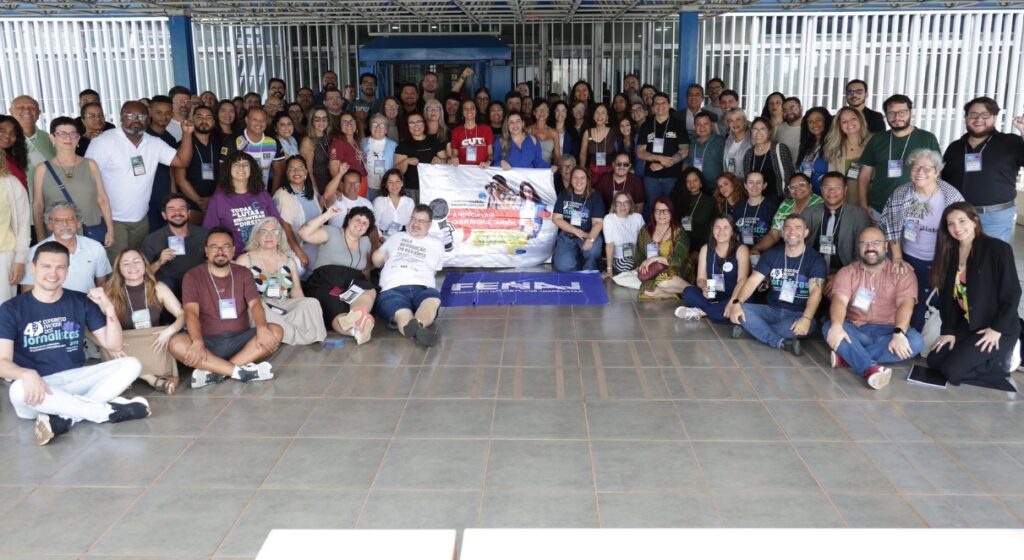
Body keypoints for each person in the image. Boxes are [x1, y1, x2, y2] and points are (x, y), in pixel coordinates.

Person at [1, 241, 149, 446]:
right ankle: (105, 412)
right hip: (38, 390)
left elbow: (114, 345)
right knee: (17, 389)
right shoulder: (11, 309)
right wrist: (27, 374)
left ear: (67, 270)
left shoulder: (80, 301)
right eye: (46, 266)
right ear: (32, 268)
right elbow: (2, 362)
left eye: (60, 267)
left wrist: (109, 309)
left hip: (75, 379)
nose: (53, 273)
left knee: (131, 364)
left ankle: (65, 418)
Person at [169, 227, 282, 388]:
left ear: (233, 250)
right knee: (176, 344)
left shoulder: (243, 273)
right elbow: (191, 312)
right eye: (214, 247)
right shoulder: (193, 276)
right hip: (208, 342)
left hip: (240, 342)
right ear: (206, 251)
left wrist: (262, 328)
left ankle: (217, 371)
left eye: (226, 246)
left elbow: (255, 304)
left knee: (276, 331)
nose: (220, 251)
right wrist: (198, 341)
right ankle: (239, 372)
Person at [928, 202, 1021, 391]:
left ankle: (1003, 362)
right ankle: (980, 359)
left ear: (975, 221)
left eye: (962, 221)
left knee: (952, 371)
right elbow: (947, 300)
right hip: (969, 324)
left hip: (996, 327)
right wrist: (949, 331)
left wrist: (997, 329)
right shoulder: (949, 253)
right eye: (951, 224)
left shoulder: (997, 249)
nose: (957, 228)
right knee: (934, 361)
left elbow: (1012, 292)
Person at [85, 101, 194, 262]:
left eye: (141, 116)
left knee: (138, 262)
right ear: (121, 117)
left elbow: (182, 161)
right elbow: (87, 179)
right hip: (113, 219)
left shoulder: (154, 143)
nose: (136, 120)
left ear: (148, 119)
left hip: (141, 218)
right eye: (130, 115)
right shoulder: (103, 142)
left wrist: (187, 134)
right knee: (119, 264)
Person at [823, 227, 923, 390]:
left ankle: (848, 357)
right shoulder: (847, 272)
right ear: (858, 248)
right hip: (857, 330)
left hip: (890, 332)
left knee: (916, 341)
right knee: (830, 327)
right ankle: (869, 367)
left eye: (875, 243)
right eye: (864, 243)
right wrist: (836, 326)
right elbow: (839, 301)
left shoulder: (902, 272)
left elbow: (905, 304)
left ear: (885, 245)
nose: (870, 247)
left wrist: (899, 332)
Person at [880, 149, 964, 330]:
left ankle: (935, 336)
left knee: (939, 302)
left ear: (937, 172)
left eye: (927, 168)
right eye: (916, 167)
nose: (920, 172)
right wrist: (897, 257)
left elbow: (963, 231)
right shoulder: (901, 193)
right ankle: (909, 334)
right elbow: (890, 226)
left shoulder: (951, 196)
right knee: (911, 300)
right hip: (910, 258)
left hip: (942, 259)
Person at [728, 214, 827, 356]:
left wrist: (806, 319)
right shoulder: (771, 254)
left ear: (806, 233)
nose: (792, 232)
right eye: (788, 228)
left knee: (793, 328)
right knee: (743, 309)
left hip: (799, 314)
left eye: (797, 228)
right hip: (772, 310)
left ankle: (753, 330)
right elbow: (753, 281)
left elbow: (816, 292)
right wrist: (738, 302)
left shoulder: (815, 259)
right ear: (782, 232)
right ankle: (779, 341)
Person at [941, 96, 1024, 243]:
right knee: (960, 255)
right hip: (960, 216)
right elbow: (943, 179)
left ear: (994, 117)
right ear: (966, 118)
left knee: (990, 255)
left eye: (985, 115)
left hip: (995, 217)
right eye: (973, 114)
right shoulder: (955, 146)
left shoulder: (1011, 142)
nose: (979, 119)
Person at [103, 249, 186, 394]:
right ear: (119, 269)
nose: (132, 266)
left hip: (154, 340)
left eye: (136, 261)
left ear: (145, 264)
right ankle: (150, 378)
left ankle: (130, 374)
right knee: (108, 346)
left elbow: (182, 314)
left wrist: (170, 331)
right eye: (126, 263)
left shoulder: (158, 288)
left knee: (166, 340)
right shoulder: (110, 293)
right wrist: (110, 345)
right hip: (125, 342)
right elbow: (94, 326)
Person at [237, 217, 326, 345]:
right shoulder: (245, 260)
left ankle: (286, 334)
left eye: (274, 232)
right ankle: (300, 336)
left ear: (280, 237)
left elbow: (297, 293)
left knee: (311, 303)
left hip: (283, 305)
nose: (269, 236)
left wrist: (303, 309)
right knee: (260, 310)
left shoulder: (289, 261)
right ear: (257, 236)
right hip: (260, 306)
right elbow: (239, 295)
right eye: (264, 232)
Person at [299, 205, 377, 344]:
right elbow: (303, 233)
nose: (360, 225)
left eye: (365, 223)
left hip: (352, 282)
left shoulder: (366, 242)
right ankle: (356, 330)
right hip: (326, 280)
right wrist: (327, 215)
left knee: (369, 289)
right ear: (349, 220)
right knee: (335, 307)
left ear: (368, 228)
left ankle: (358, 317)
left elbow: (365, 270)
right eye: (357, 220)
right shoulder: (332, 232)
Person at [202, 152, 302, 260]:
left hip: (265, 255)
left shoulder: (262, 194)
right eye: (236, 164)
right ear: (228, 169)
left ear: (252, 170)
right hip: (235, 259)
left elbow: (276, 223)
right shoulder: (218, 199)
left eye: (245, 164)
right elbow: (209, 234)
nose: (241, 167)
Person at [33, 117, 114, 247]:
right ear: (52, 138)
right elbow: (38, 205)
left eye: (72, 133)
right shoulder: (42, 169)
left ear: (78, 138)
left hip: (91, 230)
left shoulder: (90, 164)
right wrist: (40, 236)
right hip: (57, 234)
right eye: (61, 133)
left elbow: (102, 199)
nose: (68, 137)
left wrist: (110, 230)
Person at [858, 94, 941, 220]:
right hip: (879, 209)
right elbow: (864, 176)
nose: (897, 117)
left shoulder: (927, 138)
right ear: (886, 115)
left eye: (902, 112)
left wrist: (931, 205)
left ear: (910, 113)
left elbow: (937, 176)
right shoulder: (877, 140)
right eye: (891, 113)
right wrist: (864, 206)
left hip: (915, 210)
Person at [371, 204, 444, 347]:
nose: (415, 224)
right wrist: (378, 256)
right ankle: (418, 330)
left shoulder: (437, 244)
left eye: (421, 221)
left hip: (422, 287)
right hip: (392, 288)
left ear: (429, 224)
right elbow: (377, 261)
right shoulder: (396, 237)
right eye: (413, 219)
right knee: (401, 312)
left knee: (431, 302)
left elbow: (434, 271)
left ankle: (417, 326)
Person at [800, 172, 872, 295]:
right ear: (821, 190)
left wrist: (840, 275)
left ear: (845, 189)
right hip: (812, 271)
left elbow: (862, 254)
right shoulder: (808, 213)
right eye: (827, 187)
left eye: (837, 187)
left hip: (844, 270)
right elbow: (799, 247)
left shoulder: (859, 216)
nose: (831, 191)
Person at [22, 201, 111, 292]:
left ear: (78, 223)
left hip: (86, 300)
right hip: (50, 301)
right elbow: (27, 290)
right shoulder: (34, 252)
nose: (65, 224)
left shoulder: (95, 247)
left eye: (70, 219)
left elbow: (102, 283)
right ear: (49, 225)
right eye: (58, 220)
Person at [676, 214, 750, 323]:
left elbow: (742, 280)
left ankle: (701, 312)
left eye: (726, 227)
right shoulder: (705, 249)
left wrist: (733, 302)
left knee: (744, 304)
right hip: (712, 296)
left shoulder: (741, 249)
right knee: (688, 292)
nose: (721, 231)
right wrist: (704, 287)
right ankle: (717, 312)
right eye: (717, 227)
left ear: (732, 232)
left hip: (734, 296)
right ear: (712, 230)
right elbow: (701, 279)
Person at [142, 193, 209, 296]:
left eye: (182, 208)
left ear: (188, 213)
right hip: (169, 289)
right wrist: (159, 262)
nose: (177, 212)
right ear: (164, 215)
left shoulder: (204, 234)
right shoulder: (152, 240)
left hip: (198, 283)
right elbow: (142, 274)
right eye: (171, 209)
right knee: (165, 284)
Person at [637, 92, 689, 220]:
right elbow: (640, 152)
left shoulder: (678, 124)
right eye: (657, 103)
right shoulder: (646, 125)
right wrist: (659, 159)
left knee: (672, 209)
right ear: (652, 107)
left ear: (669, 105)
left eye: (663, 103)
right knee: (653, 209)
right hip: (651, 177)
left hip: (672, 176)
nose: (660, 106)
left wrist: (664, 164)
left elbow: (684, 150)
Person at [273, 156, 324, 273]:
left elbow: (318, 214)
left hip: (315, 243)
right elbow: (286, 228)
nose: (296, 172)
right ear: (286, 173)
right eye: (292, 169)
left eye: (300, 168)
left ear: (306, 172)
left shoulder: (310, 190)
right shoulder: (282, 194)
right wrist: (299, 252)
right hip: (296, 246)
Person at [751, 173, 822, 255]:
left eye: (801, 185)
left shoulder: (819, 204)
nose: (797, 189)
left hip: (811, 252)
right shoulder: (786, 204)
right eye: (792, 187)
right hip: (786, 250)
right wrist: (757, 248)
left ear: (810, 186)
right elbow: (773, 234)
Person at [635, 197, 692, 300]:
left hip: (676, 268)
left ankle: (694, 290)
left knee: (663, 282)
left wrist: (655, 259)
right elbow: (639, 252)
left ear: (671, 213)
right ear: (653, 213)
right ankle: (682, 294)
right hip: (654, 270)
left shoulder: (679, 232)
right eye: (658, 211)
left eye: (665, 211)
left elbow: (679, 259)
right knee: (646, 292)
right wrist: (639, 266)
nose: (661, 214)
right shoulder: (646, 230)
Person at [173, 105, 221, 224]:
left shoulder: (219, 144)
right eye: (199, 117)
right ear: (193, 120)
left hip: (215, 201)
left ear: (213, 122)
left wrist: (213, 198)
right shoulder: (183, 145)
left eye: (208, 117)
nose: (204, 120)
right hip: (191, 203)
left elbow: (224, 176)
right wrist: (199, 201)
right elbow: (180, 179)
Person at [552, 167, 605, 272]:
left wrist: (590, 239)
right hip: (568, 236)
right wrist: (575, 231)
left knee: (592, 251)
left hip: (588, 234)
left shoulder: (595, 197)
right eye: (575, 178)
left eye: (582, 178)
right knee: (563, 266)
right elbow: (556, 219)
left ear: (587, 180)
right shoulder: (564, 194)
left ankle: (589, 266)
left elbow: (598, 223)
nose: (579, 181)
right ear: (571, 179)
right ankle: (579, 261)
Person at [223, 107, 286, 192]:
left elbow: (279, 170)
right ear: (246, 120)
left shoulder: (273, 142)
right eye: (255, 119)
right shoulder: (233, 141)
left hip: (262, 194)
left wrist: (272, 195)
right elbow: (224, 171)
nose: (259, 123)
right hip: (237, 195)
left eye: (262, 120)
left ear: (267, 121)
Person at [395, 112, 448, 203]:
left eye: (419, 122)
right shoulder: (403, 145)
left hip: (433, 187)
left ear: (424, 124)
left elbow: (446, 161)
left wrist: (440, 160)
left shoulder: (434, 141)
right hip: (411, 189)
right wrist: (406, 161)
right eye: (411, 123)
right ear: (407, 126)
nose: (416, 126)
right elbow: (397, 171)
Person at [144, 96, 179, 234]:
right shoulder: (142, 136)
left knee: (168, 233)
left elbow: (171, 168)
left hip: (165, 194)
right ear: (150, 112)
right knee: (151, 235)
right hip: (146, 196)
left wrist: (173, 191)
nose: (164, 117)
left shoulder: (170, 138)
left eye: (168, 113)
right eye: (159, 112)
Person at [824, 107, 871, 206]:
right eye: (844, 121)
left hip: (873, 202)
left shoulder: (874, 142)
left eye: (853, 118)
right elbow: (833, 181)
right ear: (839, 126)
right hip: (848, 203)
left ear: (860, 120)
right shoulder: (835, 149)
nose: (849, 123)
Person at [0, 156, 30, 304]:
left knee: (2, 309)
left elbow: (23, 224)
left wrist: (20, 260)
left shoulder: (10, 183)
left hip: (3, 256)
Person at [742, 117, 794, 202]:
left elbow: (790, 176)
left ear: (769, 132)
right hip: (757, 201)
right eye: (755, 129)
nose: (758, 132)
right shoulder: (749, 153)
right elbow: (747, 179)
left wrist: (787, 200)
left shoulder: (780, 149)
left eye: (762, 129)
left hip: (779, 201)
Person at [671, 167, 715, 260]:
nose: (692, 184)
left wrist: (699, 250)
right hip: (679, 244)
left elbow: (711, 229)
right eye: (688, 181)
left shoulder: (710, 201)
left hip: (701, 246)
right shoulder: (678, 199)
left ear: (701, 182)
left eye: (695, 180)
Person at [8, 96, 55, 179]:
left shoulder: (48, 138)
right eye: (21, 107)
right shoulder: (5, 139)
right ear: (11, 111)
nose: (27, 110)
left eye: (32, 108)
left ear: (38, 113)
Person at [601, 191, 644, 279]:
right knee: (627, 266)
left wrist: (644, 260)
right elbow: (609, 245)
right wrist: (609, 270)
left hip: (636, 255)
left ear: (630, 204)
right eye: (619, 203)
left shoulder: (638, 217)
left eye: (626, 202)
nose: (622, 206)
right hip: (619, 257)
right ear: (614, 205)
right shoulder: (609, 219)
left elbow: (644, 241)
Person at [731, 171, 778, 250]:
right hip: (741, 251)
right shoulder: (738, 207)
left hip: (765, 252)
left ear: (764, 186)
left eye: (758, 183)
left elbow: (775, 235)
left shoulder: (772, 207)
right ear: (745, 185)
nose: (754, 186)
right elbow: (733, 232)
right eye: (751, 182)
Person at [795, 107, 832, 193]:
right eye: (810, 122)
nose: (814, 124)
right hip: (807, 196)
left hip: (828, 196)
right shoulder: (807, 146)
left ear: (826, 121)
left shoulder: (833, 145)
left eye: (818, 120)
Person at [685, 111, 725, 191]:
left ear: (711, 125)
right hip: (695, 188)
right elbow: (686, 162)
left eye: (705, 124)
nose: (702, 127)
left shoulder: (720, 142)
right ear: (694, 127)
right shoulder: (691, 141)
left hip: (715, 188)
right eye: (698, 124)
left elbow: (726, 166)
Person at [362, 113, 398, 200]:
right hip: (367, 186)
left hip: (386, 187)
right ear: (370, 128)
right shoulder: (362, 143)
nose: (378, 128)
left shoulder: (394, 146)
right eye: (374, 125)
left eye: (382, 125)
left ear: (386, 130)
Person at [372, 169, 415, 239]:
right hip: (383, 238)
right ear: (385, 185)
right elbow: (374, 225)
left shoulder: (409, 202)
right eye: (390, 182)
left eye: (397, 181)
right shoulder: (379, 201)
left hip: (403, 238)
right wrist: (381, 239)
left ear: (402, 183)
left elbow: (411, 224)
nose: (394, 185)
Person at [449, 99, 493, 166]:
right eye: (465, 109)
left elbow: (490, 154)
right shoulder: (456, 131)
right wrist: (453, 158)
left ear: (476, 111)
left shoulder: (486, 129)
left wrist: (488, 162)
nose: (469, 110)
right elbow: (455, 155)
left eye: (472, 108)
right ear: (462, 112)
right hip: (463, 169)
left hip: (482, 168)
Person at [579, 103, 615, 184]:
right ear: (593, 116)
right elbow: (583, 154)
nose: (600, 115)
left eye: (603, 113)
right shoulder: (587, 132)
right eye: (597, 112)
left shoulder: (614, 132)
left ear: (607, 117)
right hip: (592, 172)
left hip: (610, 172)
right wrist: (582, 171)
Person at [551, 100, 580, 172]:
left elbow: (575, 154)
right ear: (553, 112)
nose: (560, 113)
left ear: (567, 113)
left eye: (563, 111)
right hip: (549, 167)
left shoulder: (572, 131)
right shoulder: (548, 129)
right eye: (557, 110)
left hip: (567, 169)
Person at [722, 108, 752, 178]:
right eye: (731, 120)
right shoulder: (728, 140)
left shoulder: (752, 140)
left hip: (746, 183)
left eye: (738, 119)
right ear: (728, 124)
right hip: (730, 181)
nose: (735, 123)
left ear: (744, 121)